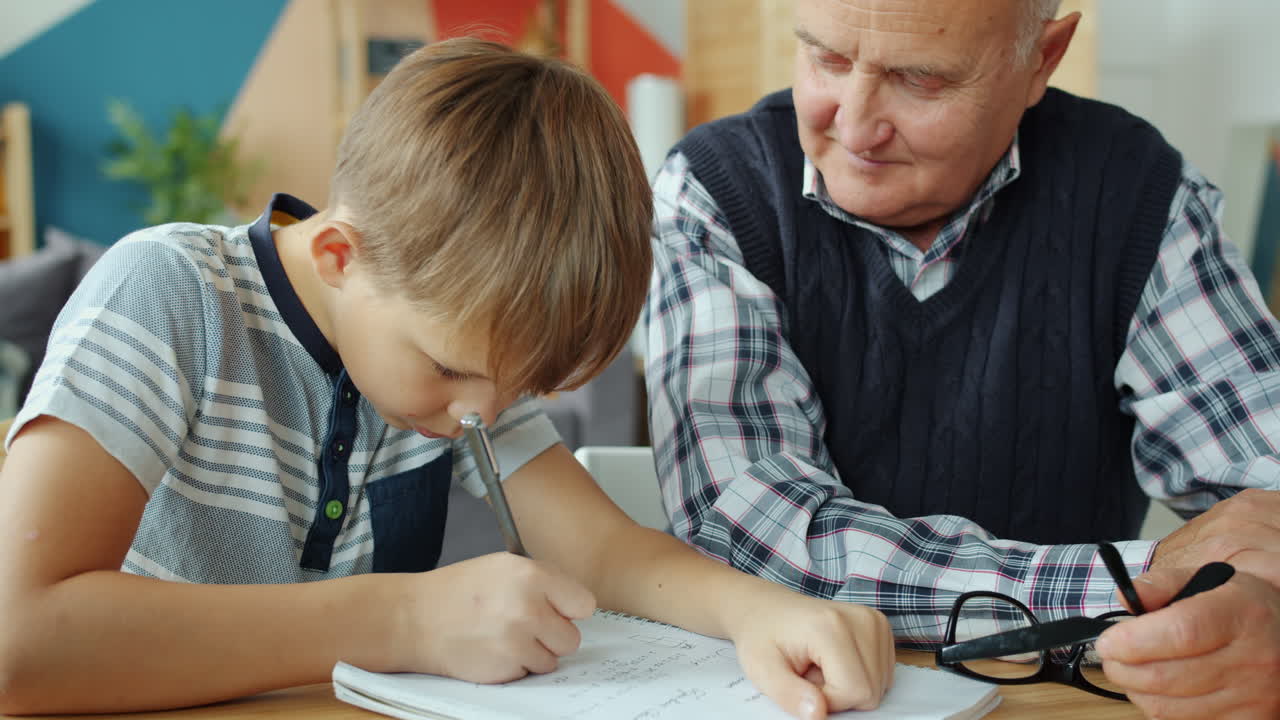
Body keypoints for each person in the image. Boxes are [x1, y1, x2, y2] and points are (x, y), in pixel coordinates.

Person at [0, 39, 895, 718]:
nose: (481, 416)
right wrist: (405, 621)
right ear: (342, 255)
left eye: (515, 391)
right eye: (454, 370)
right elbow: (18, 642)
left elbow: (605, 553)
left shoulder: (457, 373)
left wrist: (763, 613)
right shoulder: (168, 293)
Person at [642, 1, 1280, 717]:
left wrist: (1256, 608)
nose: (853, 125)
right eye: (826, 58)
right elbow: (754, 534)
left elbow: (1264, 500)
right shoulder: (716, 192)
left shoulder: (1139, 195)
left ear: (1043, 57)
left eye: (919, 79)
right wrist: (1131, 579)